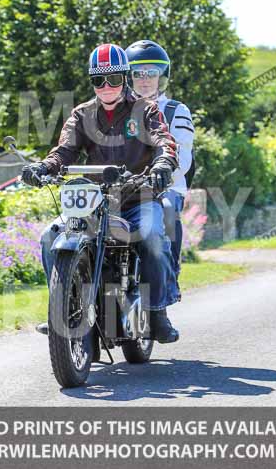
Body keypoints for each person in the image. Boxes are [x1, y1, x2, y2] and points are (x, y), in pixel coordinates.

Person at [22, 43, 180, 343]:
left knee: (151, 235)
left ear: (124, 78)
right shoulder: (82, 114)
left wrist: (162, 163)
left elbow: (164, 140)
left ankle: (157, 312)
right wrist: (44, 167)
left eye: (114, 80)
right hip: (94, 201)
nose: (106, 87)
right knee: (48, 236)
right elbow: (64, 151)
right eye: (98, 80)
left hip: (138, 196)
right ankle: (62, 304)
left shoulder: (145, 110)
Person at [125, 40, 195, 303]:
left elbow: (183, 157)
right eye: (138, 73)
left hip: (167, 186)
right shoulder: (119, 112)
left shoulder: (176, 110)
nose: (145, 80)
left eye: (151, 73)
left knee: (165, 208)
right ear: (129, 77)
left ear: (161, 76)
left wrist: (160, 172)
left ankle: (169, 281)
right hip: (126, 188)